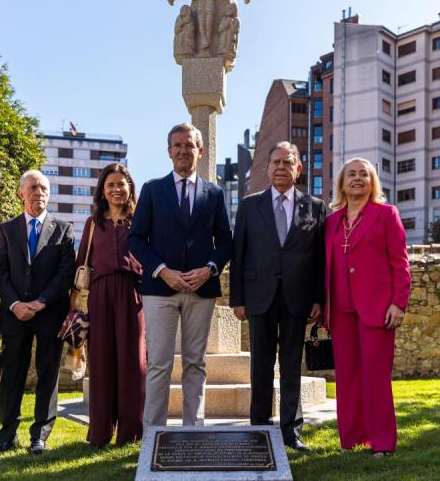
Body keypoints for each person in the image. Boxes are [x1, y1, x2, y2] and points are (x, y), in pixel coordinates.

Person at [128, 123, 233, 427]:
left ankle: (193, 429)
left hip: (201, 290)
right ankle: (154, 434)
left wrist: (210, 269)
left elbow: (225, 241)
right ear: (169, 151)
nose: (183, 150)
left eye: (189, 145)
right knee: (159, 363)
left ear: (200, 151)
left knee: (195, 364)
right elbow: (136, 239)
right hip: (159, 290)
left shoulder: (214, 193)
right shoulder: (151, 189)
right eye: (177, 145)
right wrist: (163, 271)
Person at [229, 141, 326, 451]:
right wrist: (237, 299)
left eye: (288, 162)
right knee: (260, 365)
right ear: (266, 169)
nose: (282, 167)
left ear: (298, 169)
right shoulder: (249, 205)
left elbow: (320, 259)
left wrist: (318, 299)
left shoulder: (315, 207)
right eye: (276, 163)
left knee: (290, 366)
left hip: (298, 298)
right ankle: (259, 427)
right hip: (259, 297)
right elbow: (239, 253)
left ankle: (290, 431)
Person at [325, 157, 411, 457]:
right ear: (342, 183)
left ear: (372, 182)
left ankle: (383, 442)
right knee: (347, 376)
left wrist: (399, 303)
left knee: (375, 376)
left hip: (377, 307)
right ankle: (352, 439)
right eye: (352, 174)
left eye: (364, 174)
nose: (358, 179)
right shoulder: (332, 220)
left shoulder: (386, 214)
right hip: (339, 309)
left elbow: (400, 263)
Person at [0, 170, 75, 456]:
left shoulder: (64, 229)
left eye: (43, 188)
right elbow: (0, 271)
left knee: (48, 374)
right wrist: (15, 304)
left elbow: (66, 274)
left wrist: (40, 302)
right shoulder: (6, 229)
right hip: (15, 314)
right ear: (21, 194)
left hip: (50, 312)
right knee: (11, 373)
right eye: (33, 187)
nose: (38, 192)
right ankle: (6, 436)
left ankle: (40, 435)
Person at [71, 163, 146, 447]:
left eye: (121, 184)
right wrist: (74, 305)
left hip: (132, 293)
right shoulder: (93, 224)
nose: (116, 190)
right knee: (101, 362)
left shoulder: (140, 220)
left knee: (133, 362)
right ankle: (101, 432)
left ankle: (131, 432)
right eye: (110, 185)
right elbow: (82, 264)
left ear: (129, 188)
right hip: (100, 294)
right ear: (102, 190)